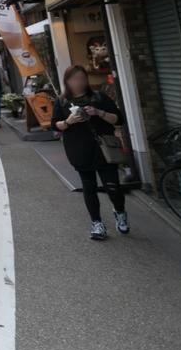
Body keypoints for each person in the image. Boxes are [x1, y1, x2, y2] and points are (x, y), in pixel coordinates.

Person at [53, 65, 128, 240]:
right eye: (74, 79)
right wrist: (69, 121)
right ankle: (97, 223)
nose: (78, 82)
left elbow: (119, 119)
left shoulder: (98, 97)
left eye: (81, 78)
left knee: (113, 187)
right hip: (79, 149)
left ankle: (120, 212)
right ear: (67, 82)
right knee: (89, 187)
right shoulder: (62, 101)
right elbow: (55, 125)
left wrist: (98, 112)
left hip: (104, 150)